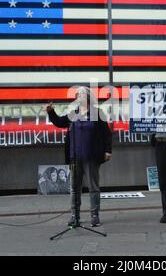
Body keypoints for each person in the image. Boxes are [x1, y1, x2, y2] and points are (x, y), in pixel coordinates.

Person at [46, 86, 112, 227]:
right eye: (77, 94)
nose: (79, 96)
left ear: (88, 97)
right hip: (75, 157)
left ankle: (95, 215)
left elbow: (107, 133)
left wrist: (108, 150)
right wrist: (51, 113)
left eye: (81, 94)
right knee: (74, 188)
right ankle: (74, 216)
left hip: (92, 156)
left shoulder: (97, 113)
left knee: (93, 187)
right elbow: (59, 122)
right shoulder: (73, 114)